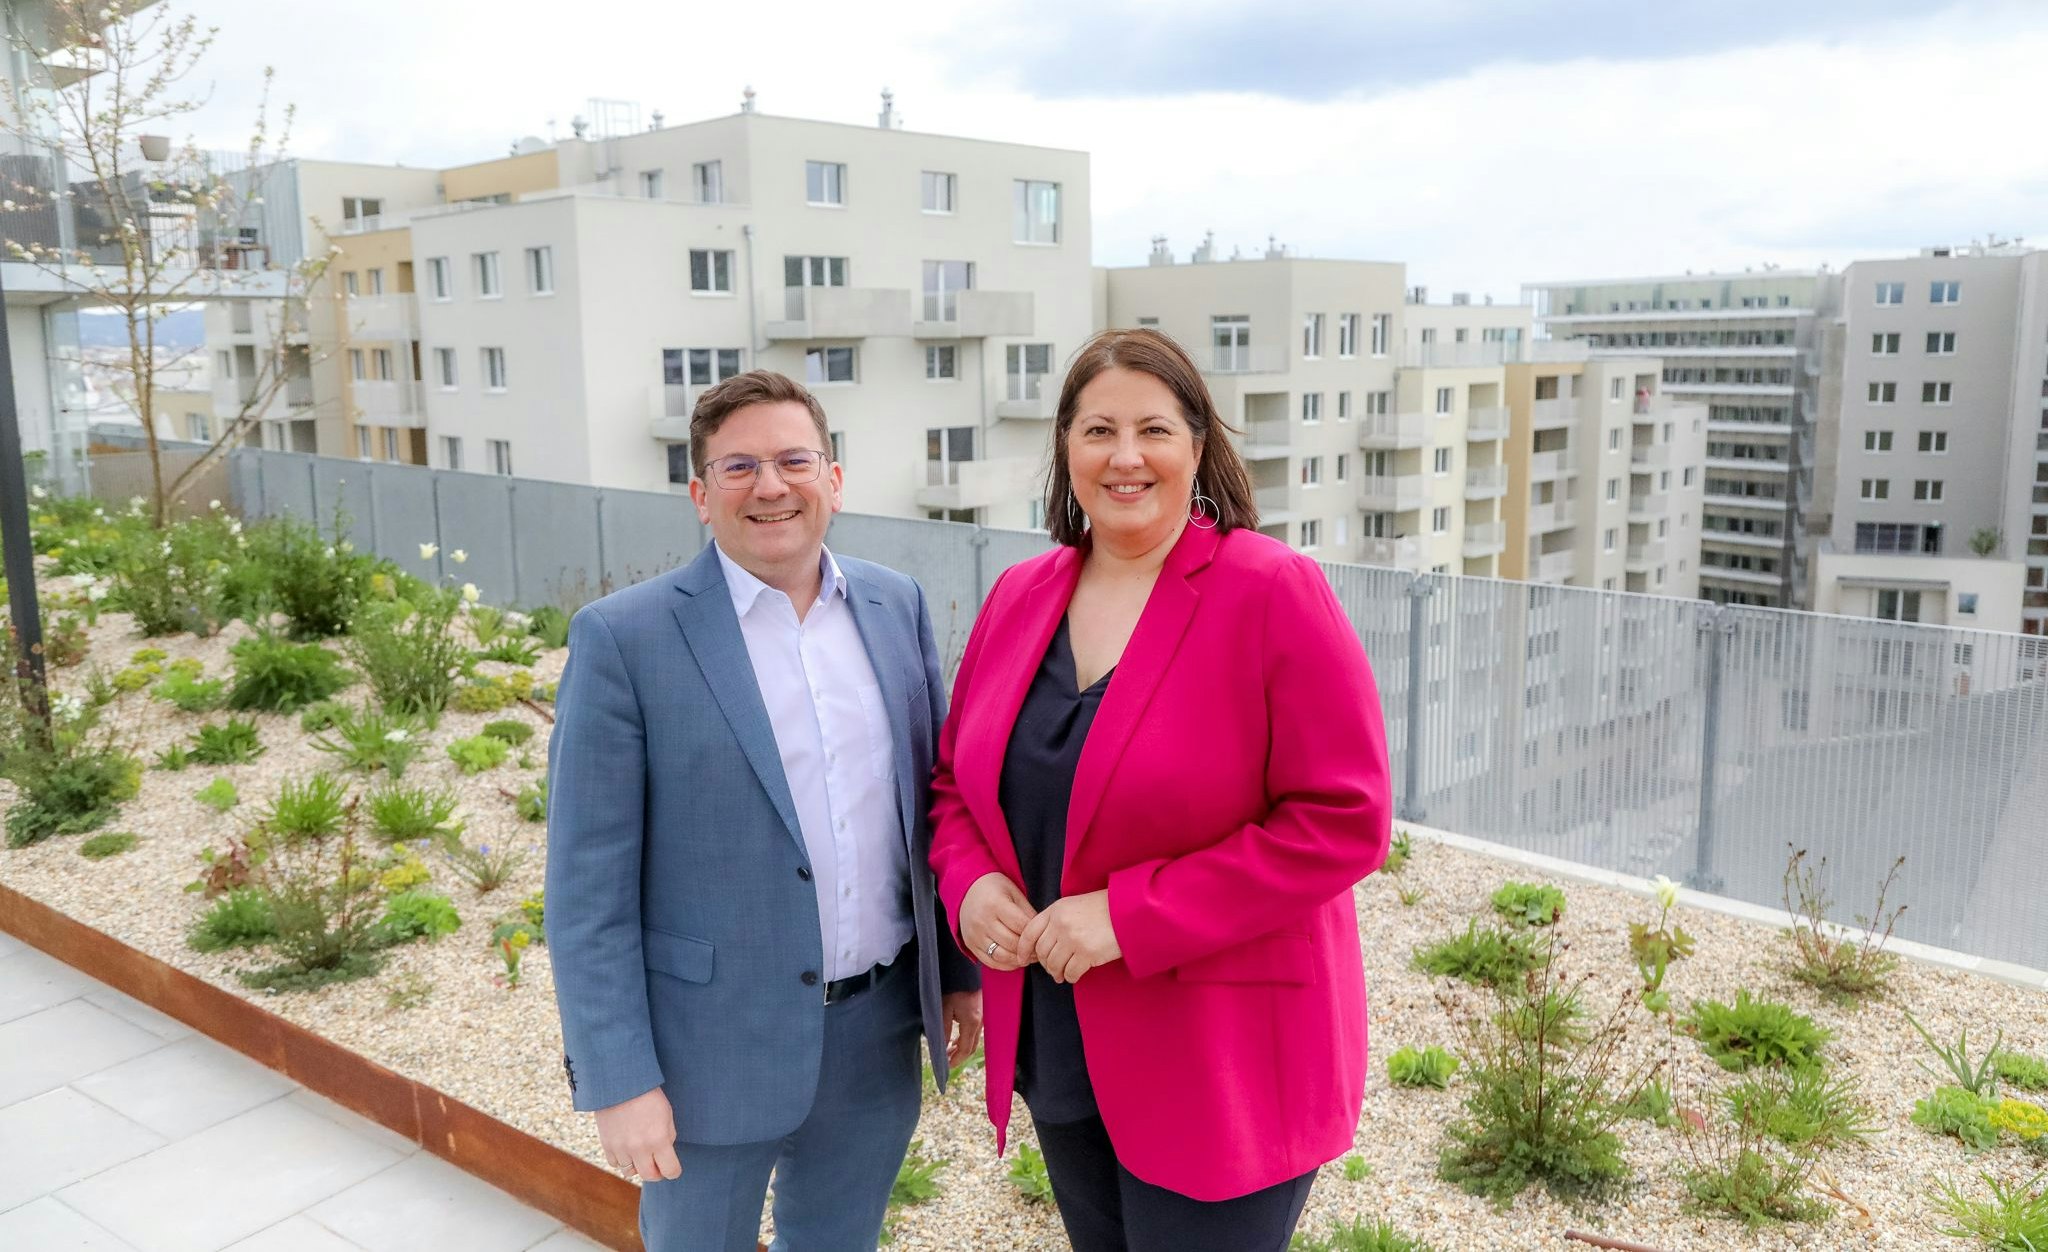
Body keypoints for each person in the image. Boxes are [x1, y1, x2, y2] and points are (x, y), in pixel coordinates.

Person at [928, 328, 1391, 1252]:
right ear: (1066, 447)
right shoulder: (1020, 594)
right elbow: (953, 784)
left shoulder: (1273, 591)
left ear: (1198, 446)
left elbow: (1345, 821)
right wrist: (968, 884)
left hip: (1222, 1062)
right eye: (1099, 430)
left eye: (1154, 430)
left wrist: (1128, 916)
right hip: (1063, 1046)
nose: (1125, 456)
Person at [545, 370, 983, 1252]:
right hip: (705, 1056)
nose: (771, 486)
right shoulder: (624, 639)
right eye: (739, 467)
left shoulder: (894, 603)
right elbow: (587, 890)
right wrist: (619, 1079)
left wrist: (959, 973)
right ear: (701, 496)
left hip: (875, 1033)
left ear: (835, 479)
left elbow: (931, 806)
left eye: (794, 461)